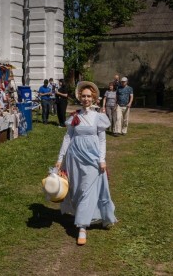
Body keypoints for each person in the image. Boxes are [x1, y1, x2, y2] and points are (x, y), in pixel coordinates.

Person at [55, 81, 117, 246]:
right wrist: (60, 159)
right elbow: (67, 137)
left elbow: (102, 140)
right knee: (77, 189)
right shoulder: (75, 116)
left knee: (87, 189)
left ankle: (82, 227)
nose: (86, 99)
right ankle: (85, 215)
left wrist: (102, 159)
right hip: (74, 158)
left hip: (93, 159)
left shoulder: (98, 117)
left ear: (94, 98)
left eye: (89, 96)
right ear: (79, 97)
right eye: (83, 96)